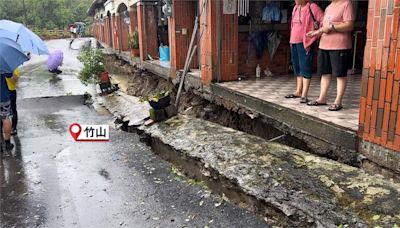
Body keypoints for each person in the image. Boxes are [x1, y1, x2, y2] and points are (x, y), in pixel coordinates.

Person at [306, 0, 354, 111]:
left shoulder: (346, 4)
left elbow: (349, 25)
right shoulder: (328, 7)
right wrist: (316, 32)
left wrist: (333, 28)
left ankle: (338, 101)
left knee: (340, 74)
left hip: (339, 45)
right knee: (325, 73)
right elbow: (325, 27)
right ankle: (322, 98)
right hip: (324, 45)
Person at [285, 0, 323, 103]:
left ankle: (304, 94)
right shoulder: (295, 8)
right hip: (294, 41)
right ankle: (298, 90)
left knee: (305, 66)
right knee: (297, 67)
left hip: (306, 42)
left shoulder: (312, 7)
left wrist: (316, 33)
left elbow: (323, 21)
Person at [0, 72, 15, 151]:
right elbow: (9, 75)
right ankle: (7, 144)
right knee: (5, 118)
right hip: (3, 97)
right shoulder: (2, 62)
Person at [6, 68, 20, 135]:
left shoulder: (13, 67)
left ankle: (14, 127)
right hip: (2, 91)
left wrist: (11, 73)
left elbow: (15, 80)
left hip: (11, 91)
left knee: (13, 110)